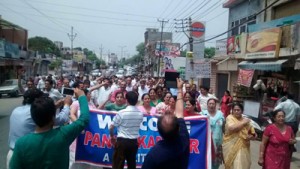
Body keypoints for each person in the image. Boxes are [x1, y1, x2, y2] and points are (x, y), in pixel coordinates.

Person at [9, 88, 89, 168]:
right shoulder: (64, 134)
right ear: (53, 117)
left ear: (32, 117)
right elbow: (84, 120)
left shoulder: (21, 144)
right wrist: (82, 96)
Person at [142, 78, 189, 169]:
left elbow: (178, 114)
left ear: (159, 132)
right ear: (179, 128)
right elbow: (179, 114)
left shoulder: (153, 155)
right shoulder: (183, 141)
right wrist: (179, 89)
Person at [109, 91, 143, 169]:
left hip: (122, 142)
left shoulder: (122, 113)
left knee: (118, 165)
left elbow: (111, 127)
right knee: (132, 164)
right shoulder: (140, 113)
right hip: (133, 142)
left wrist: (112, 136)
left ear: (126, 100)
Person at [222, 103, 257, 169]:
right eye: (234, 110)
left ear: (242, 111)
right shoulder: (230, 117)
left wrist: (252, 137)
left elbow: (253, 133)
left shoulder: (246, 120)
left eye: (238, 110)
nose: (236, 112)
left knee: (241, 165)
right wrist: (243, 122)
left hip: (243, 146)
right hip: (231, 145)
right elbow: (231, 128)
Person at [201, 98, 224, 169]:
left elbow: (223, 127)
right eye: (210, 104)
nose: (211, 105)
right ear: (207, 105)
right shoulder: (202, 113)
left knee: (215, 163)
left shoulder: (220, 114)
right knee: (206, 162)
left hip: (218, 143)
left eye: (213, 104)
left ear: (215, 105)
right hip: (206, 143)